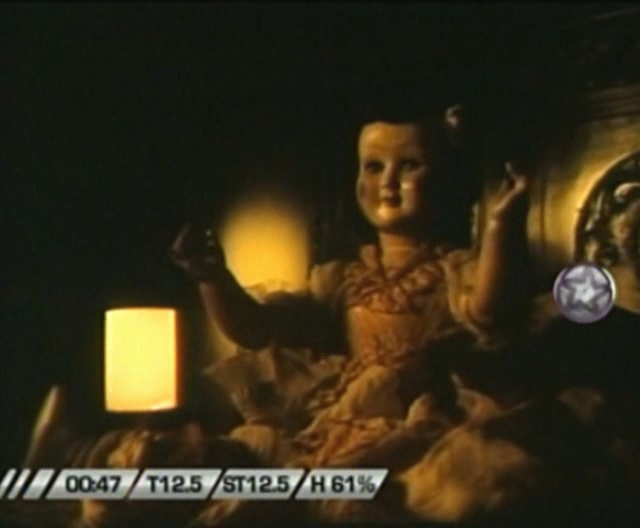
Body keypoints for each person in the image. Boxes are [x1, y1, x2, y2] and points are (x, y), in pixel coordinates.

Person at [169, 102, 531, 478]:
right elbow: (256, 328)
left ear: (445, 179)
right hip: (345, 420)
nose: (388, 181)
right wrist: (211, 277)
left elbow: (490, 312)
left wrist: (500, 225)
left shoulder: (451, 271)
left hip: (422, 425)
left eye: (409, 165)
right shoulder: (340, 279)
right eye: (374, 166)